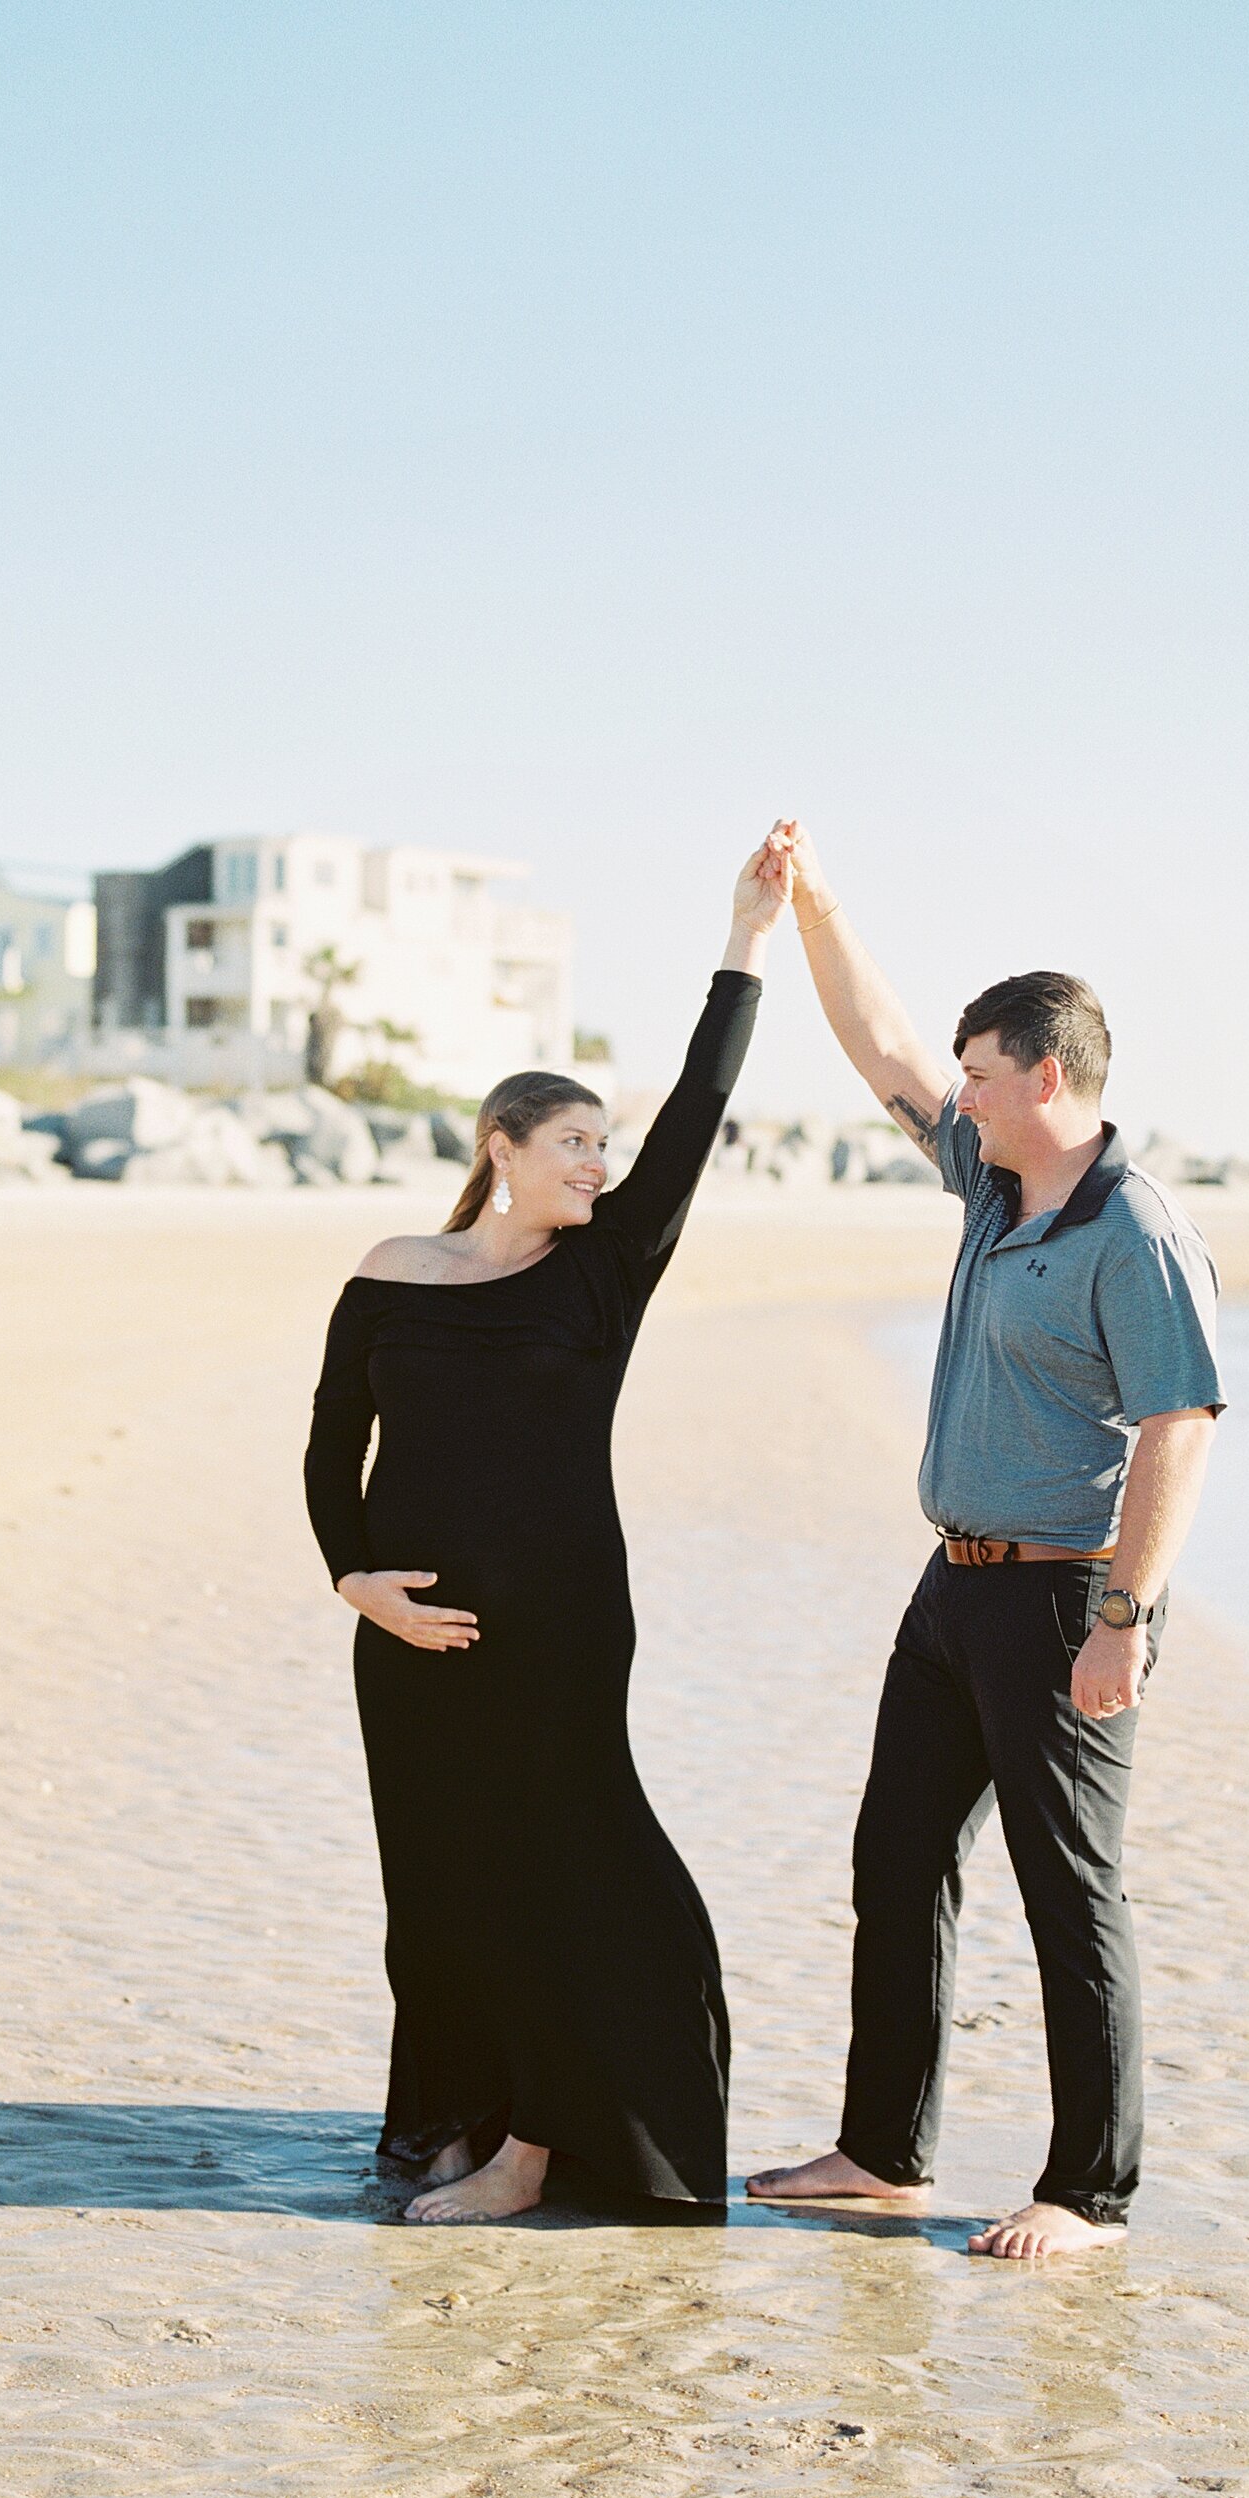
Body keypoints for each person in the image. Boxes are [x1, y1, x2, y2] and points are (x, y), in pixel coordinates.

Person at [748, 820, 1224, 2258]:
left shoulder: (1130, 1231)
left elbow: (1181, 1427)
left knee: (1070, 1895)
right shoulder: (992, 1185)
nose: (953, 1093)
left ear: (1048, 1077)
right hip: (951, 1590)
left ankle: (1091, 2194)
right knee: (897, 1859)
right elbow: (879, 1043)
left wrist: (1122, 1624)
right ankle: (883, 2151)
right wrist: (816, 909)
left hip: (1067, 1599)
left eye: (977, 1073)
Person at [303, 835, 789, 2225]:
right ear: (500, 1150)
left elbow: (698, 1104)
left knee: (574, 1871)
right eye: (570, 1142)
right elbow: (333, 1446)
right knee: (438, 1887)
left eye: (600, 1144)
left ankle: (535, 2149)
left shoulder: (605, 1274)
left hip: (562, 1629)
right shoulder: (392, 1276)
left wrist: (742, 942)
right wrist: (356, 1580)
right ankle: (450, 2125)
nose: (596, 1161)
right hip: (405, 1637)